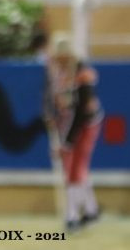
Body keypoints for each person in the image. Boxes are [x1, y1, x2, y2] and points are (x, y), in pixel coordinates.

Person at [44, 37, 103, 232]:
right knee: (75, 168)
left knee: (74, 168)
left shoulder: (82, 73)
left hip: (86, 123)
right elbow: (53, 100)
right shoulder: (57, 72)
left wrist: (67, 143)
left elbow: (81, 112)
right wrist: (53, 116)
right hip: (68, 122)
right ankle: (90, 210)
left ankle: (73, 216)